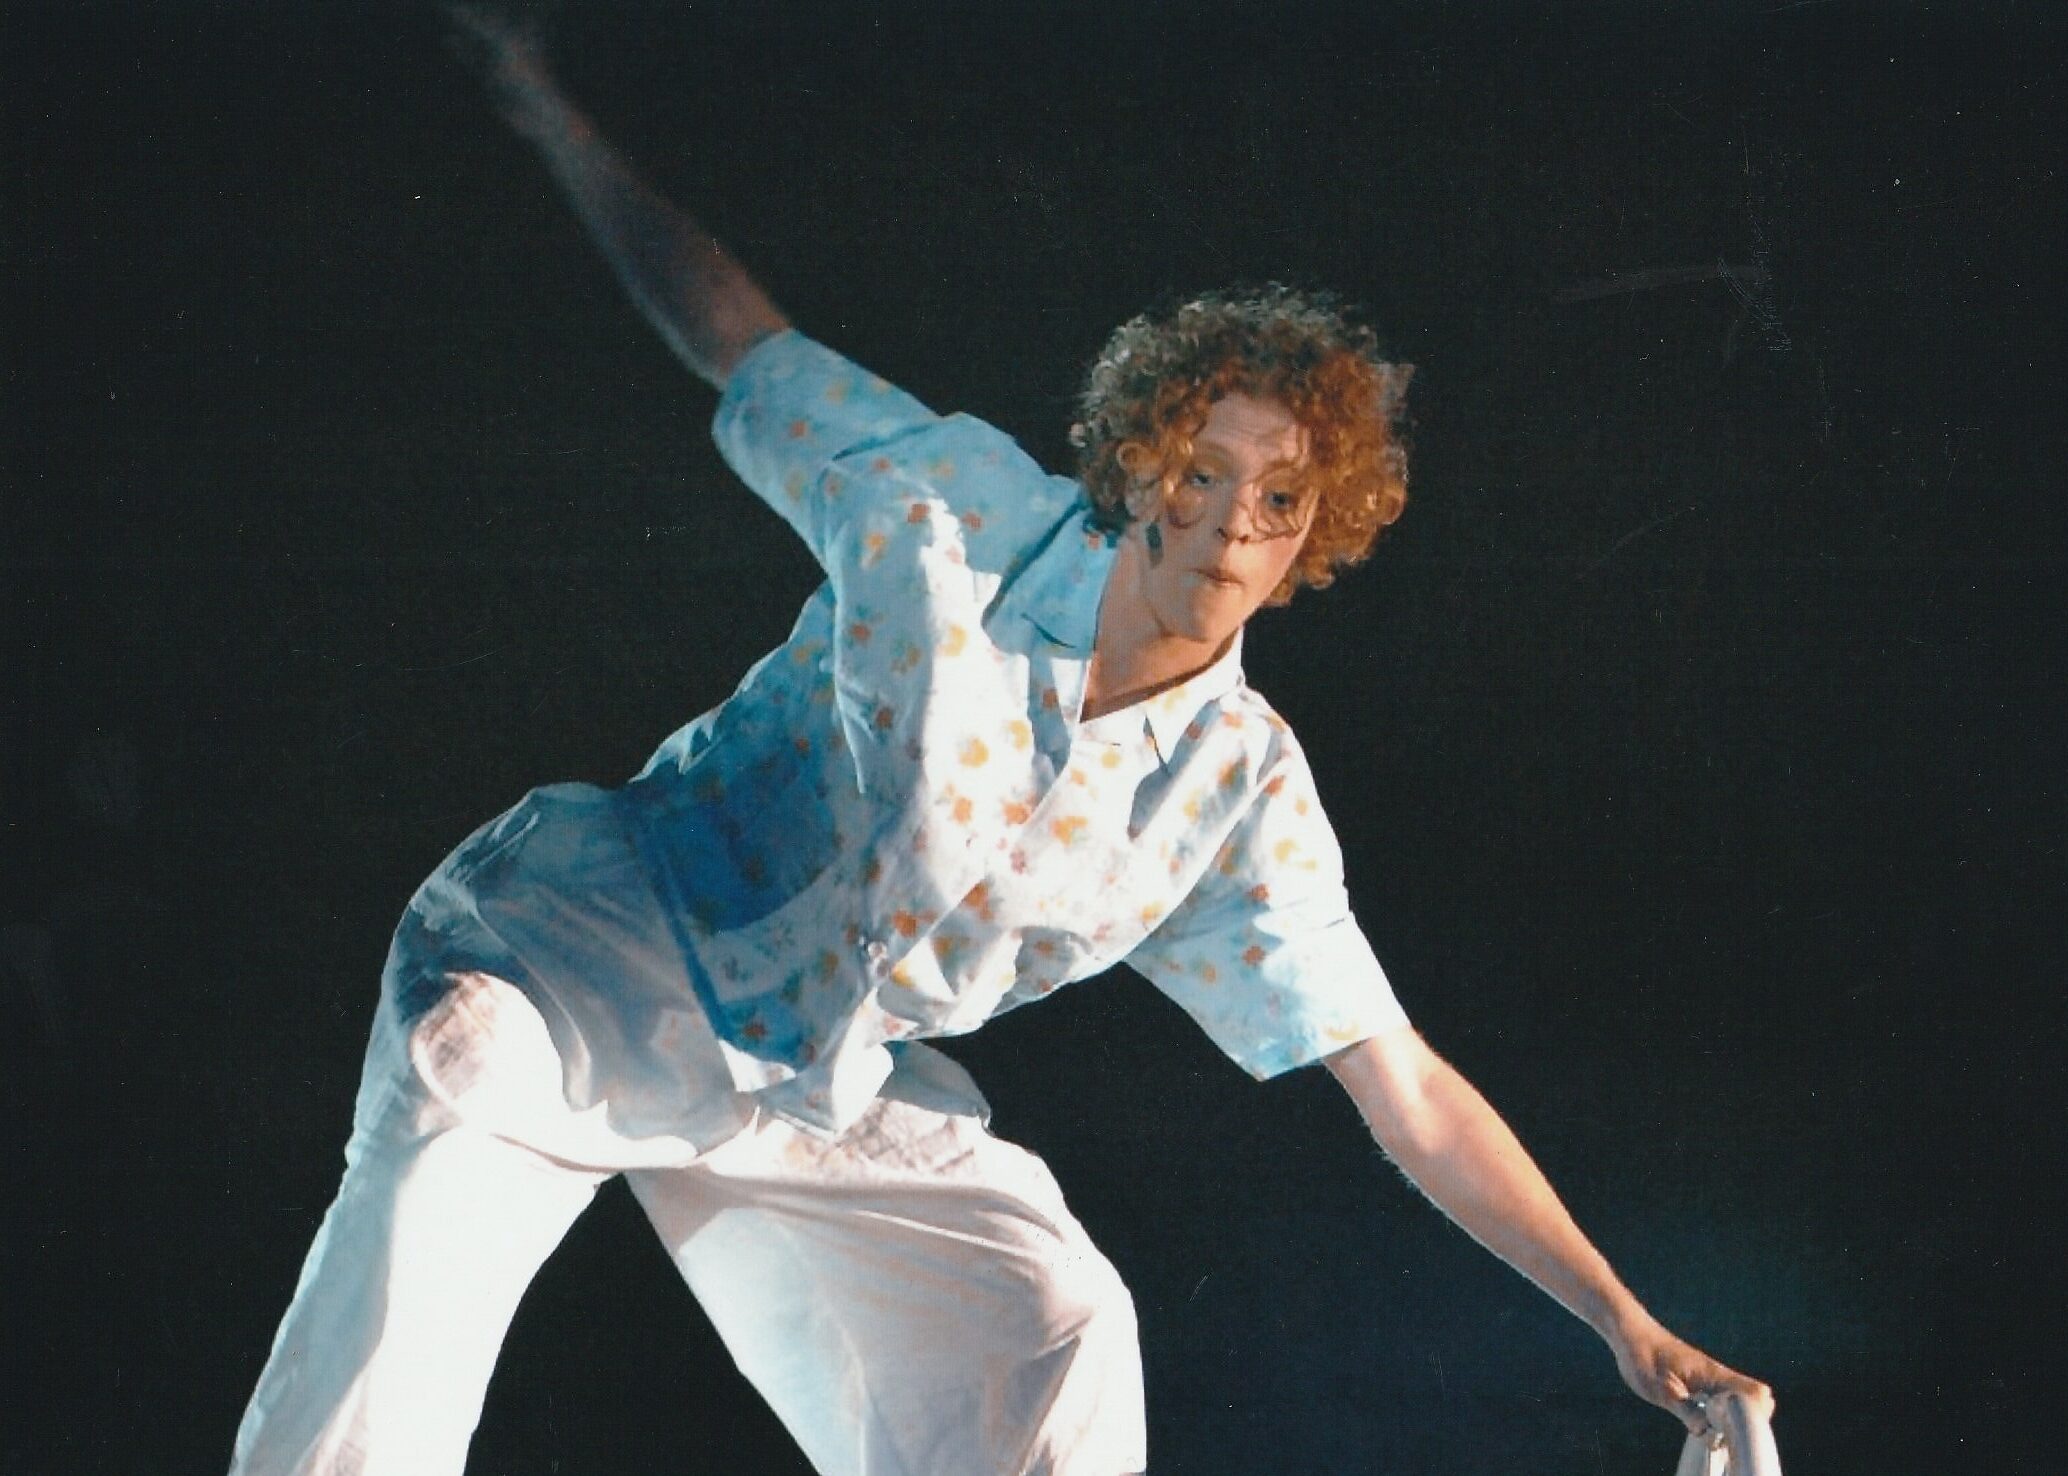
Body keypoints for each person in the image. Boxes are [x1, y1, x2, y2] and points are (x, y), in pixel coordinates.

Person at [228, 15, 1773, 1475]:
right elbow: (740, 341)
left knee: (1055, 1324)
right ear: (1147, 464)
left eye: (1280, 499)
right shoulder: (956, 508)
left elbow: (1411, 1096)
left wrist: (1625, 1323)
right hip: (579, 956)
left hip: (810, 1089)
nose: (1231, 521)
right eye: (1205, 472)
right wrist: (546, 112)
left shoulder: (1238, 794)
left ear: (1317, 534)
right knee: (439, 1160)